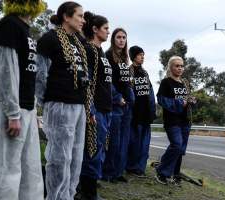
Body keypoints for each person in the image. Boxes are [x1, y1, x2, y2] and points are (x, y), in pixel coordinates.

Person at [36, 2, 91, 199]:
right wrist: (46, 103)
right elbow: (40, 74)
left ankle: (69, 194)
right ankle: (55, 197)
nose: (83, 20)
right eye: (80, 16)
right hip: (59, 104)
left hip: (78, 105)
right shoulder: (49, 39)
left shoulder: (78, 41)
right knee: (60, 157)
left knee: (76, 157)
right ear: (66, 17)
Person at [0, 0, 45, 199]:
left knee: (30, 167)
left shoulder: (26, 29)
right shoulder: (9, 25)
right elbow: (4, 70)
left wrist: (30, 110)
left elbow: (27, 73)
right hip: (10, 110)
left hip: (27, 108)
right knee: (7, 169)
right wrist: (12, 113)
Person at [75, 11, 111, 200]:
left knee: (99, 151)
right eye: (105, 28)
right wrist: (90, 109)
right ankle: (87, 194)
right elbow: (86, 82)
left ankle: (88, 190)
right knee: (91, 150)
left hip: (106, 109)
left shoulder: (101, 51)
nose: (108, 32)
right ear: (95, 29)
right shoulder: (88, 49)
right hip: (95, 109)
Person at [155, 56, 196, 186]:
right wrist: (180, 102)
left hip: (185, 120)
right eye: (177, 66)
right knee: (176, 145)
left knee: (180, 150)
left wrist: (192, 101)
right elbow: (161, 100)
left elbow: (188, 99)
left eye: (181, 66)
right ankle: (161, 171)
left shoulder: (185, 83)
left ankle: (175, 174)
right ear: (170, 67)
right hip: (172, 121)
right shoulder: (166, 82)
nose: (180, 68)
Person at [103, 28, 134, 183]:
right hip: (115, 105)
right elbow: (108, 82)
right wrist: (117, 97)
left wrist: (130, 98)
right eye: (118, 37)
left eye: (124, 37)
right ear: (113, 39)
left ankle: (118, 172)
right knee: (113, 142)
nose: (121, 40)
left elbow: (126, 82)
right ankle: (108, 173)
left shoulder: (124, 58)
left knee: (123, 141)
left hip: (126, 106)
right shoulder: (108, 56)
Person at [126, 45, 156, 177]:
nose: (142, 57)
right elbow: (127, 92)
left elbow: (150, 92)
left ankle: (140, 168)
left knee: (145, 144)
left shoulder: (145, 73)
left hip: (146, 114)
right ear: (133, 56)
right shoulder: (128, 71)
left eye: (143, 54)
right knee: (134, 143)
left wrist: (152, 111)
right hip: (134, 114)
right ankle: (131, 167)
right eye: (139, 54)